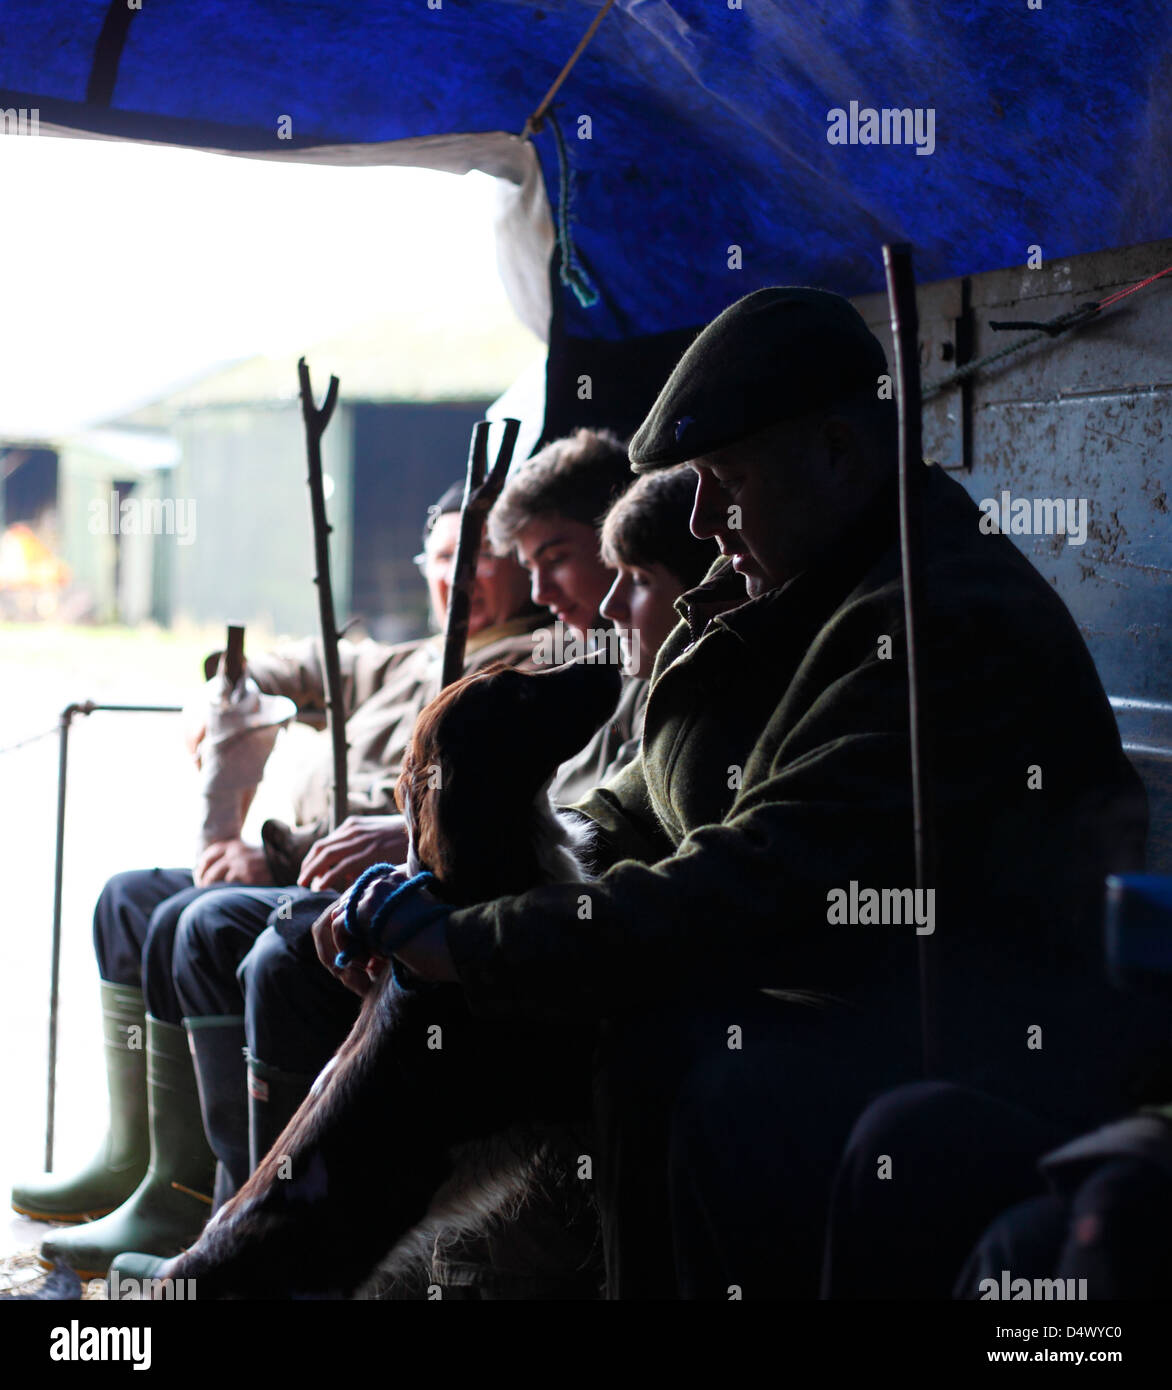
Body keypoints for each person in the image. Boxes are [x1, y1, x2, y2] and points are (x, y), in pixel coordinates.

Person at [162, 286, 1153, 1301]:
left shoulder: (935, 626)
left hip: (947, 1020)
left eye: (724, 478)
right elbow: (624, 804)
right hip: (772, 963)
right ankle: (245, 1275)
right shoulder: (760, 590)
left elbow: (753, 887)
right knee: (323, 964)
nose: (702, 519)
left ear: (836, 456)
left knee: (664, 1053)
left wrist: (470, 941)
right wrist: (450, 883)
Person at [17, 481, 542, 1276]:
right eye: (440, 560)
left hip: (329, 874)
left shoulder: (521, 671)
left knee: (197, 922)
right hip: (291, 863)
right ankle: (146, 1166)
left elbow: (452, 823)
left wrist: (279, 853)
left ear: (525, 571)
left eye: (480, 562)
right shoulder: (404, 663)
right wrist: (229, 683)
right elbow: (299, 663)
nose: (457, 581)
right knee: (127, 900)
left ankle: (219, 1206)